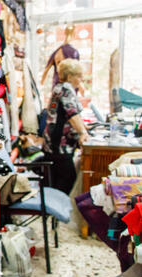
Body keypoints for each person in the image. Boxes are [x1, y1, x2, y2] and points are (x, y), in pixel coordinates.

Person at [43, 58, 89, 195]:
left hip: (54, 142)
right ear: (69, 76)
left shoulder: (59, 88)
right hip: (59, 145)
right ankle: (61, 213)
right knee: (67, 181)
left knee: (59, 181)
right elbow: (72, 113)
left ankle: (58, 212)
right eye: (79, 76)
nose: (81, 79)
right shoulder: (66, 89)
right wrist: (82, 133)